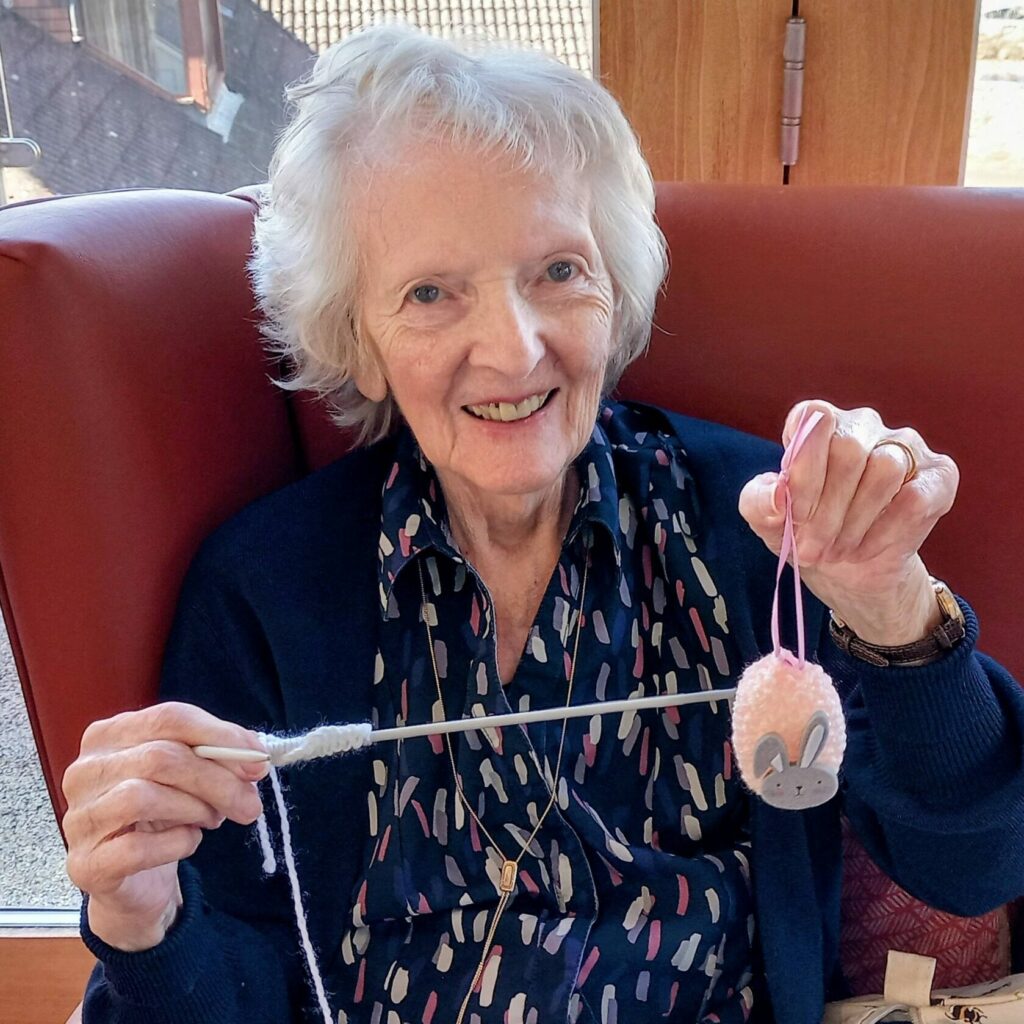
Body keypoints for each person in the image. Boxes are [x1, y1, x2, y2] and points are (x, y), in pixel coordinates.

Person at [61, 23, 1024, 1024]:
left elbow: (978, 861)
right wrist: (141, 917)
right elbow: (227, 987)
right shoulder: (264, 589)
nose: (513, 349)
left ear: (616, 289)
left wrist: (892, 604)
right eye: (431, 293)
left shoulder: (759, 524)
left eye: (558, 271)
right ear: (359, 339)